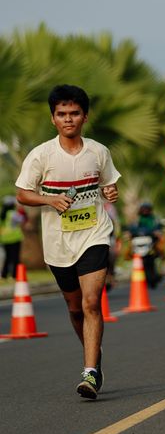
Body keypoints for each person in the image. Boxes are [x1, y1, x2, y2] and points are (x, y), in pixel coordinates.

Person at [16, 84, 120, 400]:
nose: (68, 119)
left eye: (74, 113)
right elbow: (23, 194)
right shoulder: (41, 155)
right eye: (62, 114)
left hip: (94, 234)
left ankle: (89, 372)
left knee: (91, 302)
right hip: (58, 243)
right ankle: (94, 355)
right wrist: (49, 200)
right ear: (53, 118)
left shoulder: (98, 152)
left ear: (84, 116)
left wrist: (111, 192)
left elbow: (109, 186)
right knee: (75, 309)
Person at [126, 201, 164, 289]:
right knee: (128, 250)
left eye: (147, 209)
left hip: (151, 243)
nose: (145, 211)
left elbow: (158, 229)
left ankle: (161, 267)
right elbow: (132, 229)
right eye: (143, 209)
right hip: (139, 243)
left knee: (160, 249)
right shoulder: (137, 221)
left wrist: (157, 233)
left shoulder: (154, 220)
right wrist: (130, 233)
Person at [0, 196, 27, 279]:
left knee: (7, 257)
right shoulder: (13, 214)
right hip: (15, 238)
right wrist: (22, 210)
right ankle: (14, 275)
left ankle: (4, 275)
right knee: (15, 258)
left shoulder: (2, 215)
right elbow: (23, 219)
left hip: (5, 239)